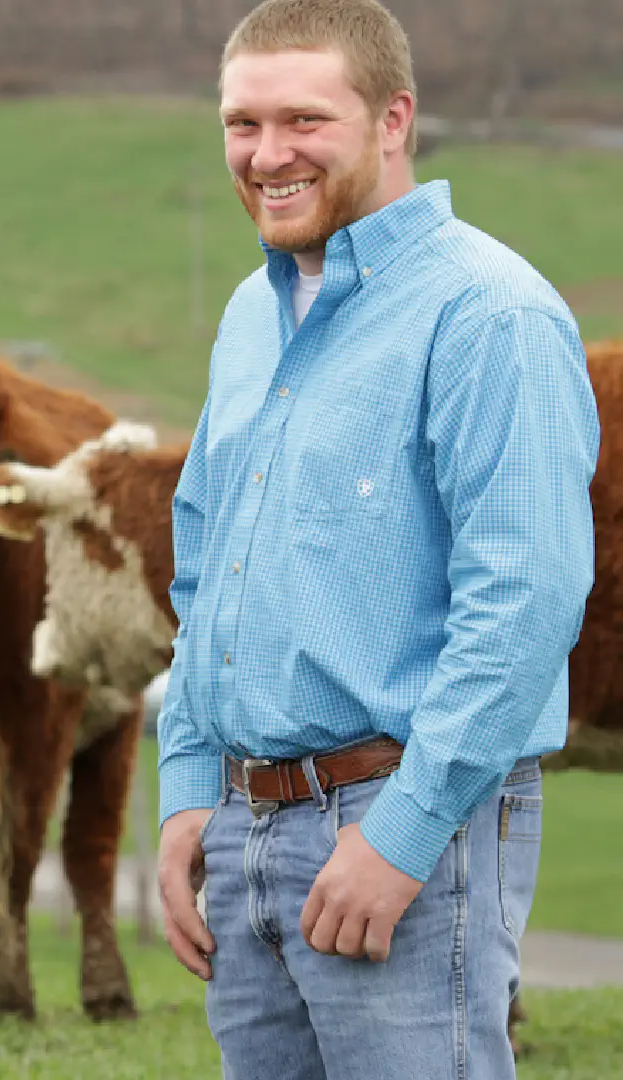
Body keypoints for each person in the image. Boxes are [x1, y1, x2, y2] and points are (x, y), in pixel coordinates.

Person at [152, 1, 600, 1077]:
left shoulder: (489, 315)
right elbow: (208, 571)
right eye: (241, 124)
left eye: (305, 119)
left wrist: (401, 835)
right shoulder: (252, 320)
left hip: (405, 820)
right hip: (242, 827)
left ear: (394, 118)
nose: (268, 155)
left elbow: (526, 604)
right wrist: (187, 795)